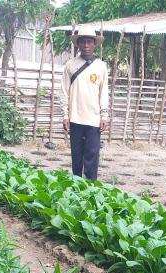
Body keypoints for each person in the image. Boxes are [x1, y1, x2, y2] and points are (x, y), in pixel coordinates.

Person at [60, 25, 109, 181]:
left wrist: (104, 116)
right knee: (76, 156)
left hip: (94, 120)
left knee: (92, 156)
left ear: (95, 44)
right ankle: (76, 185)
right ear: (78, 44)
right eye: (83, 42)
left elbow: (103, 93)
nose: (86, 45)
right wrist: (65, 115)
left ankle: (91, 187)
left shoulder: (101, 67)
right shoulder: (70, 65)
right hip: (75, 118)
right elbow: (64, 91)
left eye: (89, 42)